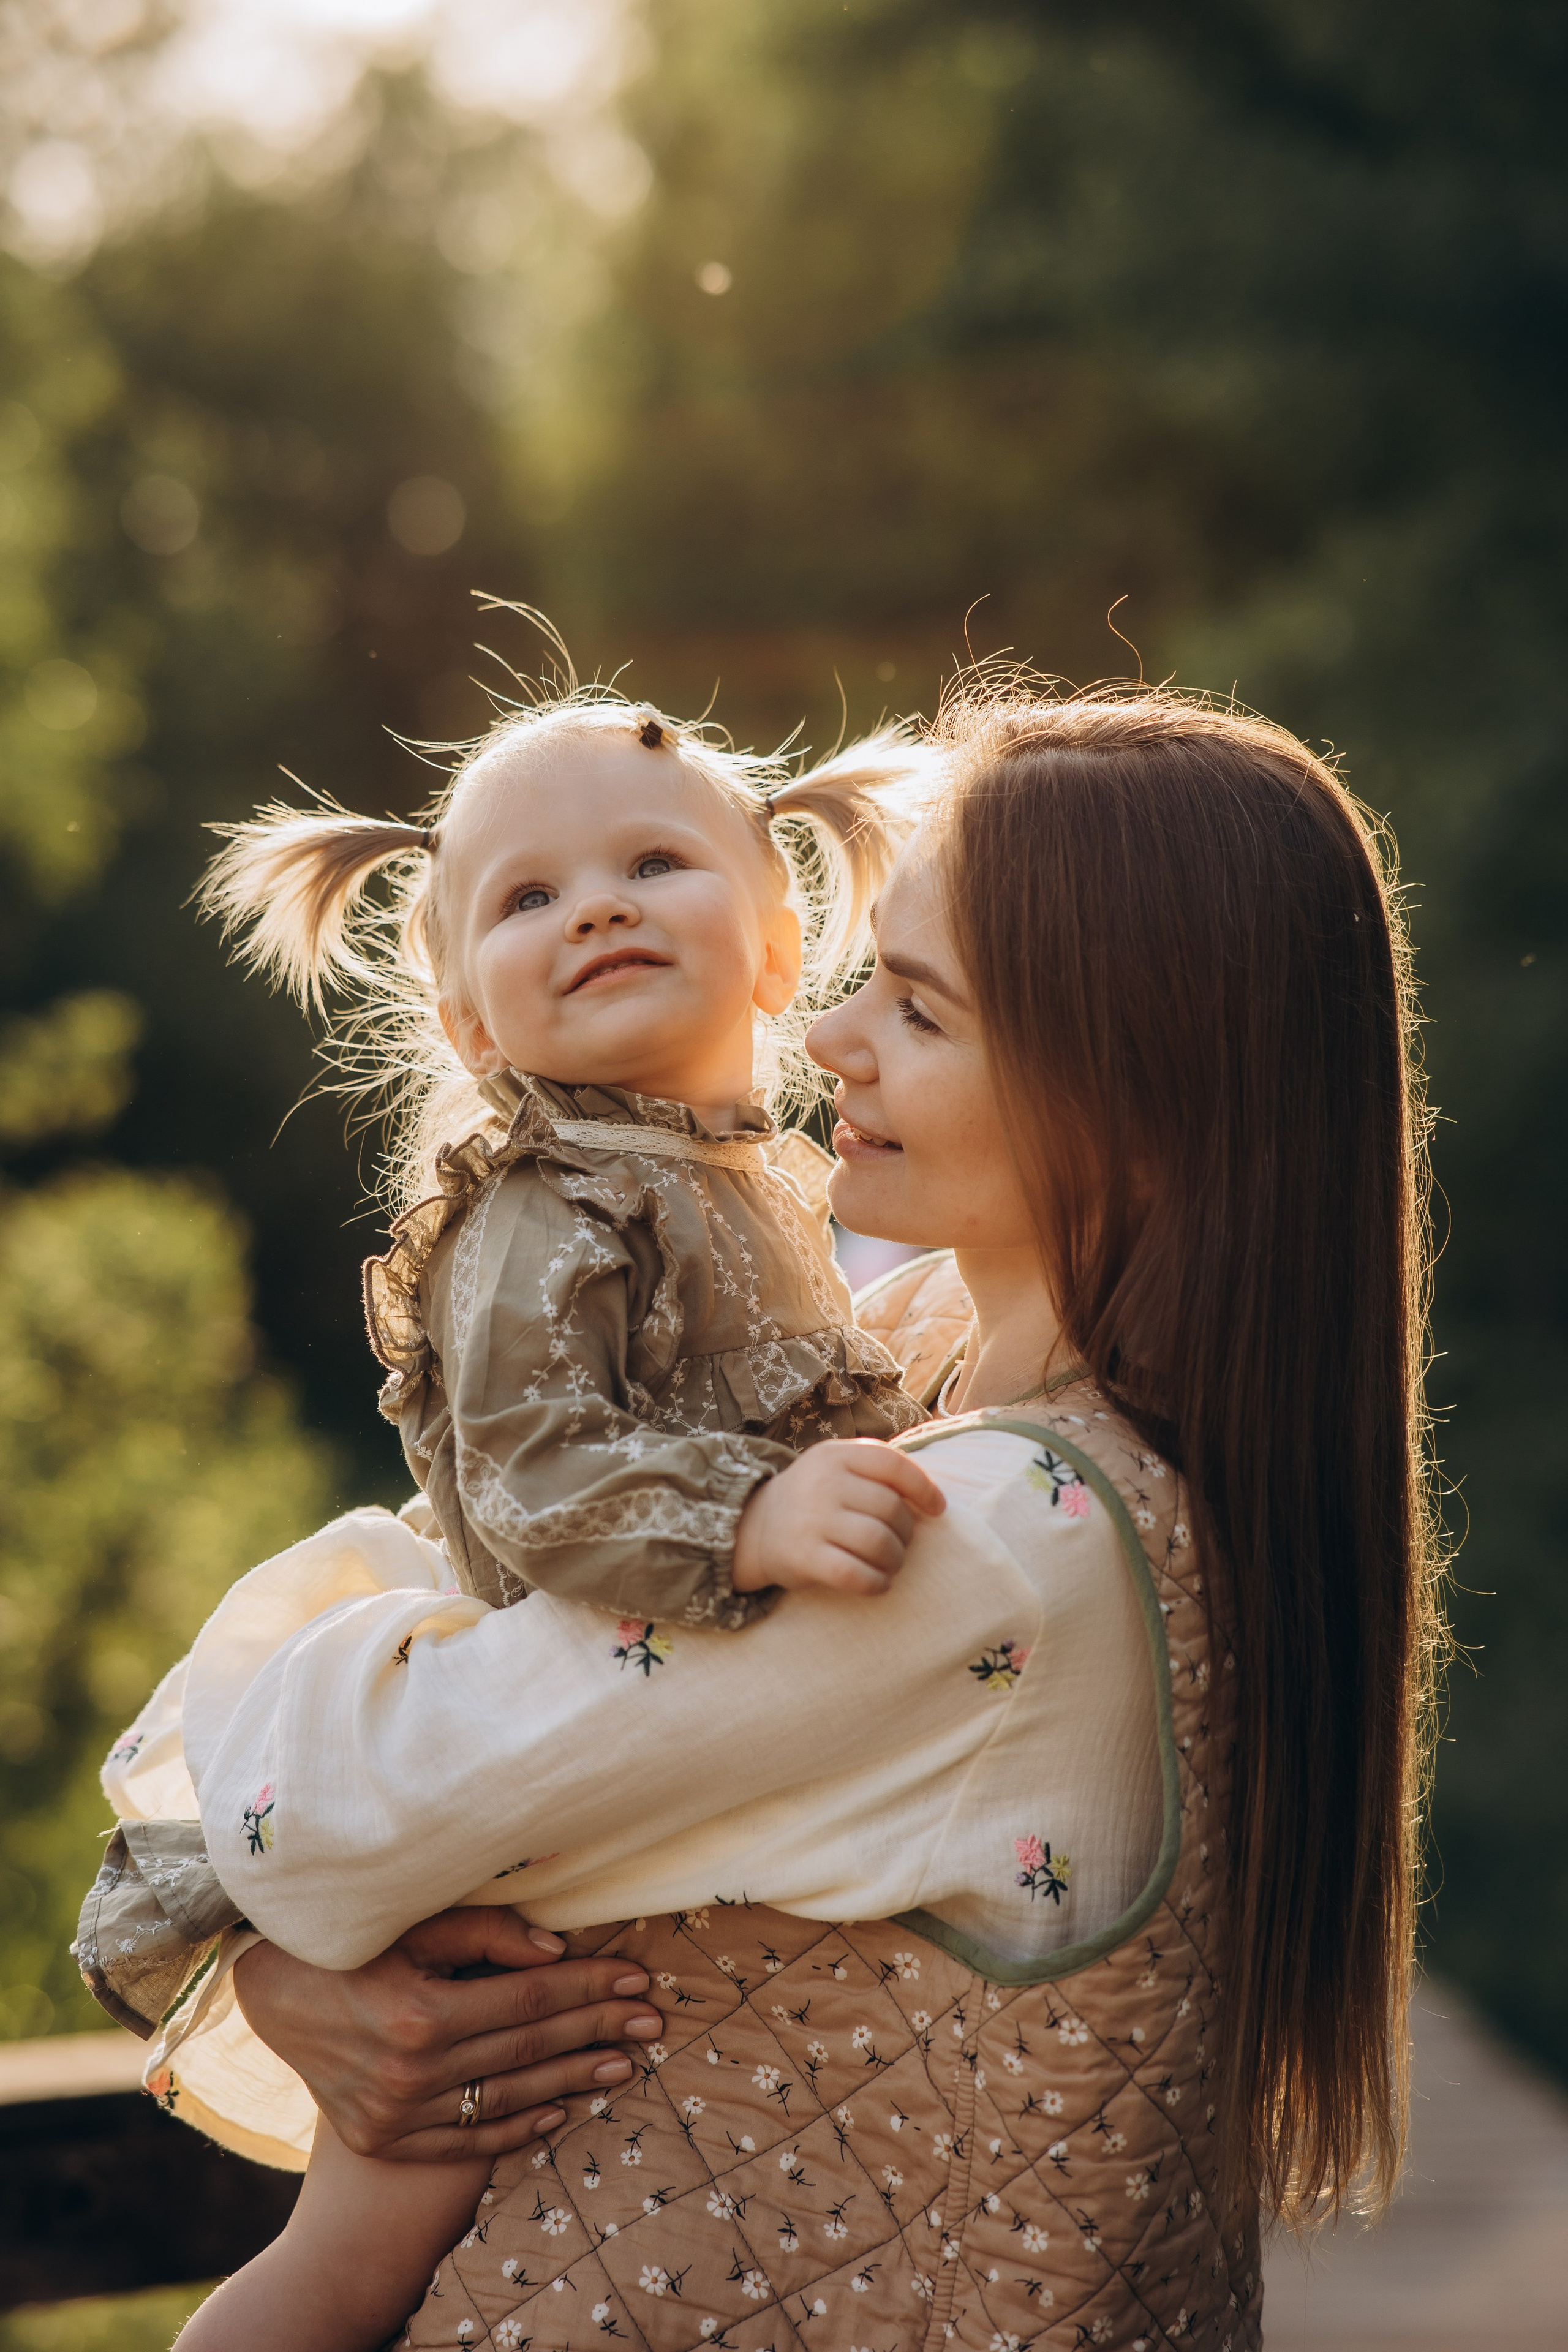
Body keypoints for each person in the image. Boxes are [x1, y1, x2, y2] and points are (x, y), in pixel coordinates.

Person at [82, 679, 1442, 2352]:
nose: (832, 1041)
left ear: (1146, 1105)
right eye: (870, 976)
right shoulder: (922, 1357)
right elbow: (530, 1544)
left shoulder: (1003, 1539)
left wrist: (259, 1932)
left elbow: (343, 1811)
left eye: (919, 1010)